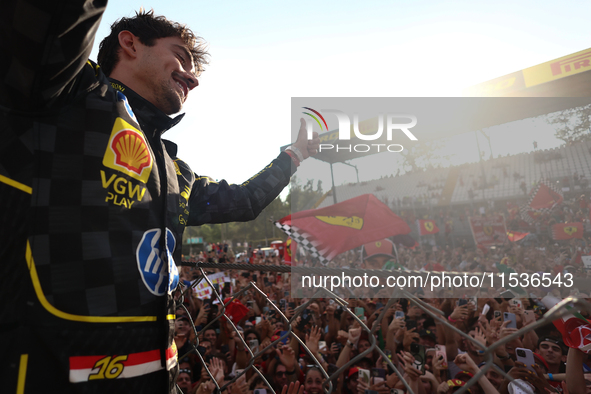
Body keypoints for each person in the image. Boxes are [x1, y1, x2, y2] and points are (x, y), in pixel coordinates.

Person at [0, 2, 320, 393]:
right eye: (181, 57)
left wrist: (296, 155)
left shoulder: (175, 172)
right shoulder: (59, 93)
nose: (194, 80)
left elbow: (245, 201)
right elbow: (49, 20)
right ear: (130, 43)